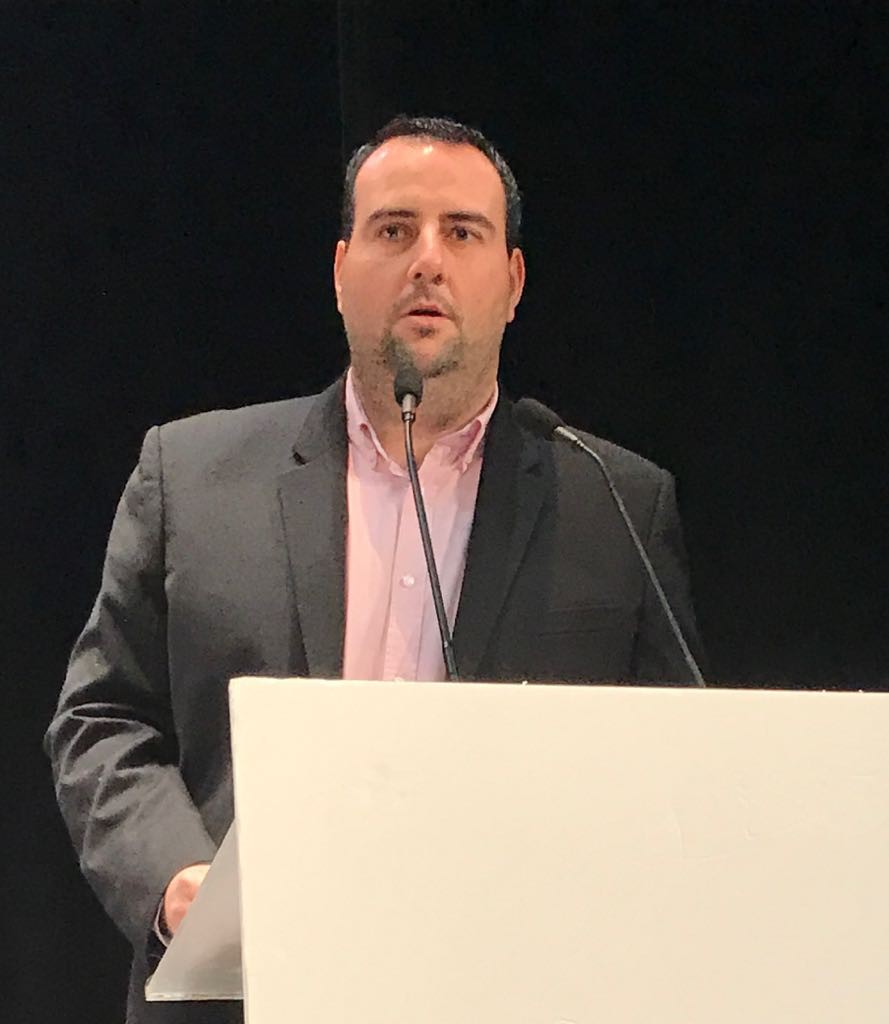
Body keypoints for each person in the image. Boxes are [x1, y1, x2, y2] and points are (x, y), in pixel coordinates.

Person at [46, 115, 703, 1024]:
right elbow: (103, 718)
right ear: (340, 270)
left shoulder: (614, 502)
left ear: (512, 282)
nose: (427, 260)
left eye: (462, 233)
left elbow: (673, 771)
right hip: (250, 990)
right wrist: (176, 880)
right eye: (394, 230)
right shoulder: (192, 477)